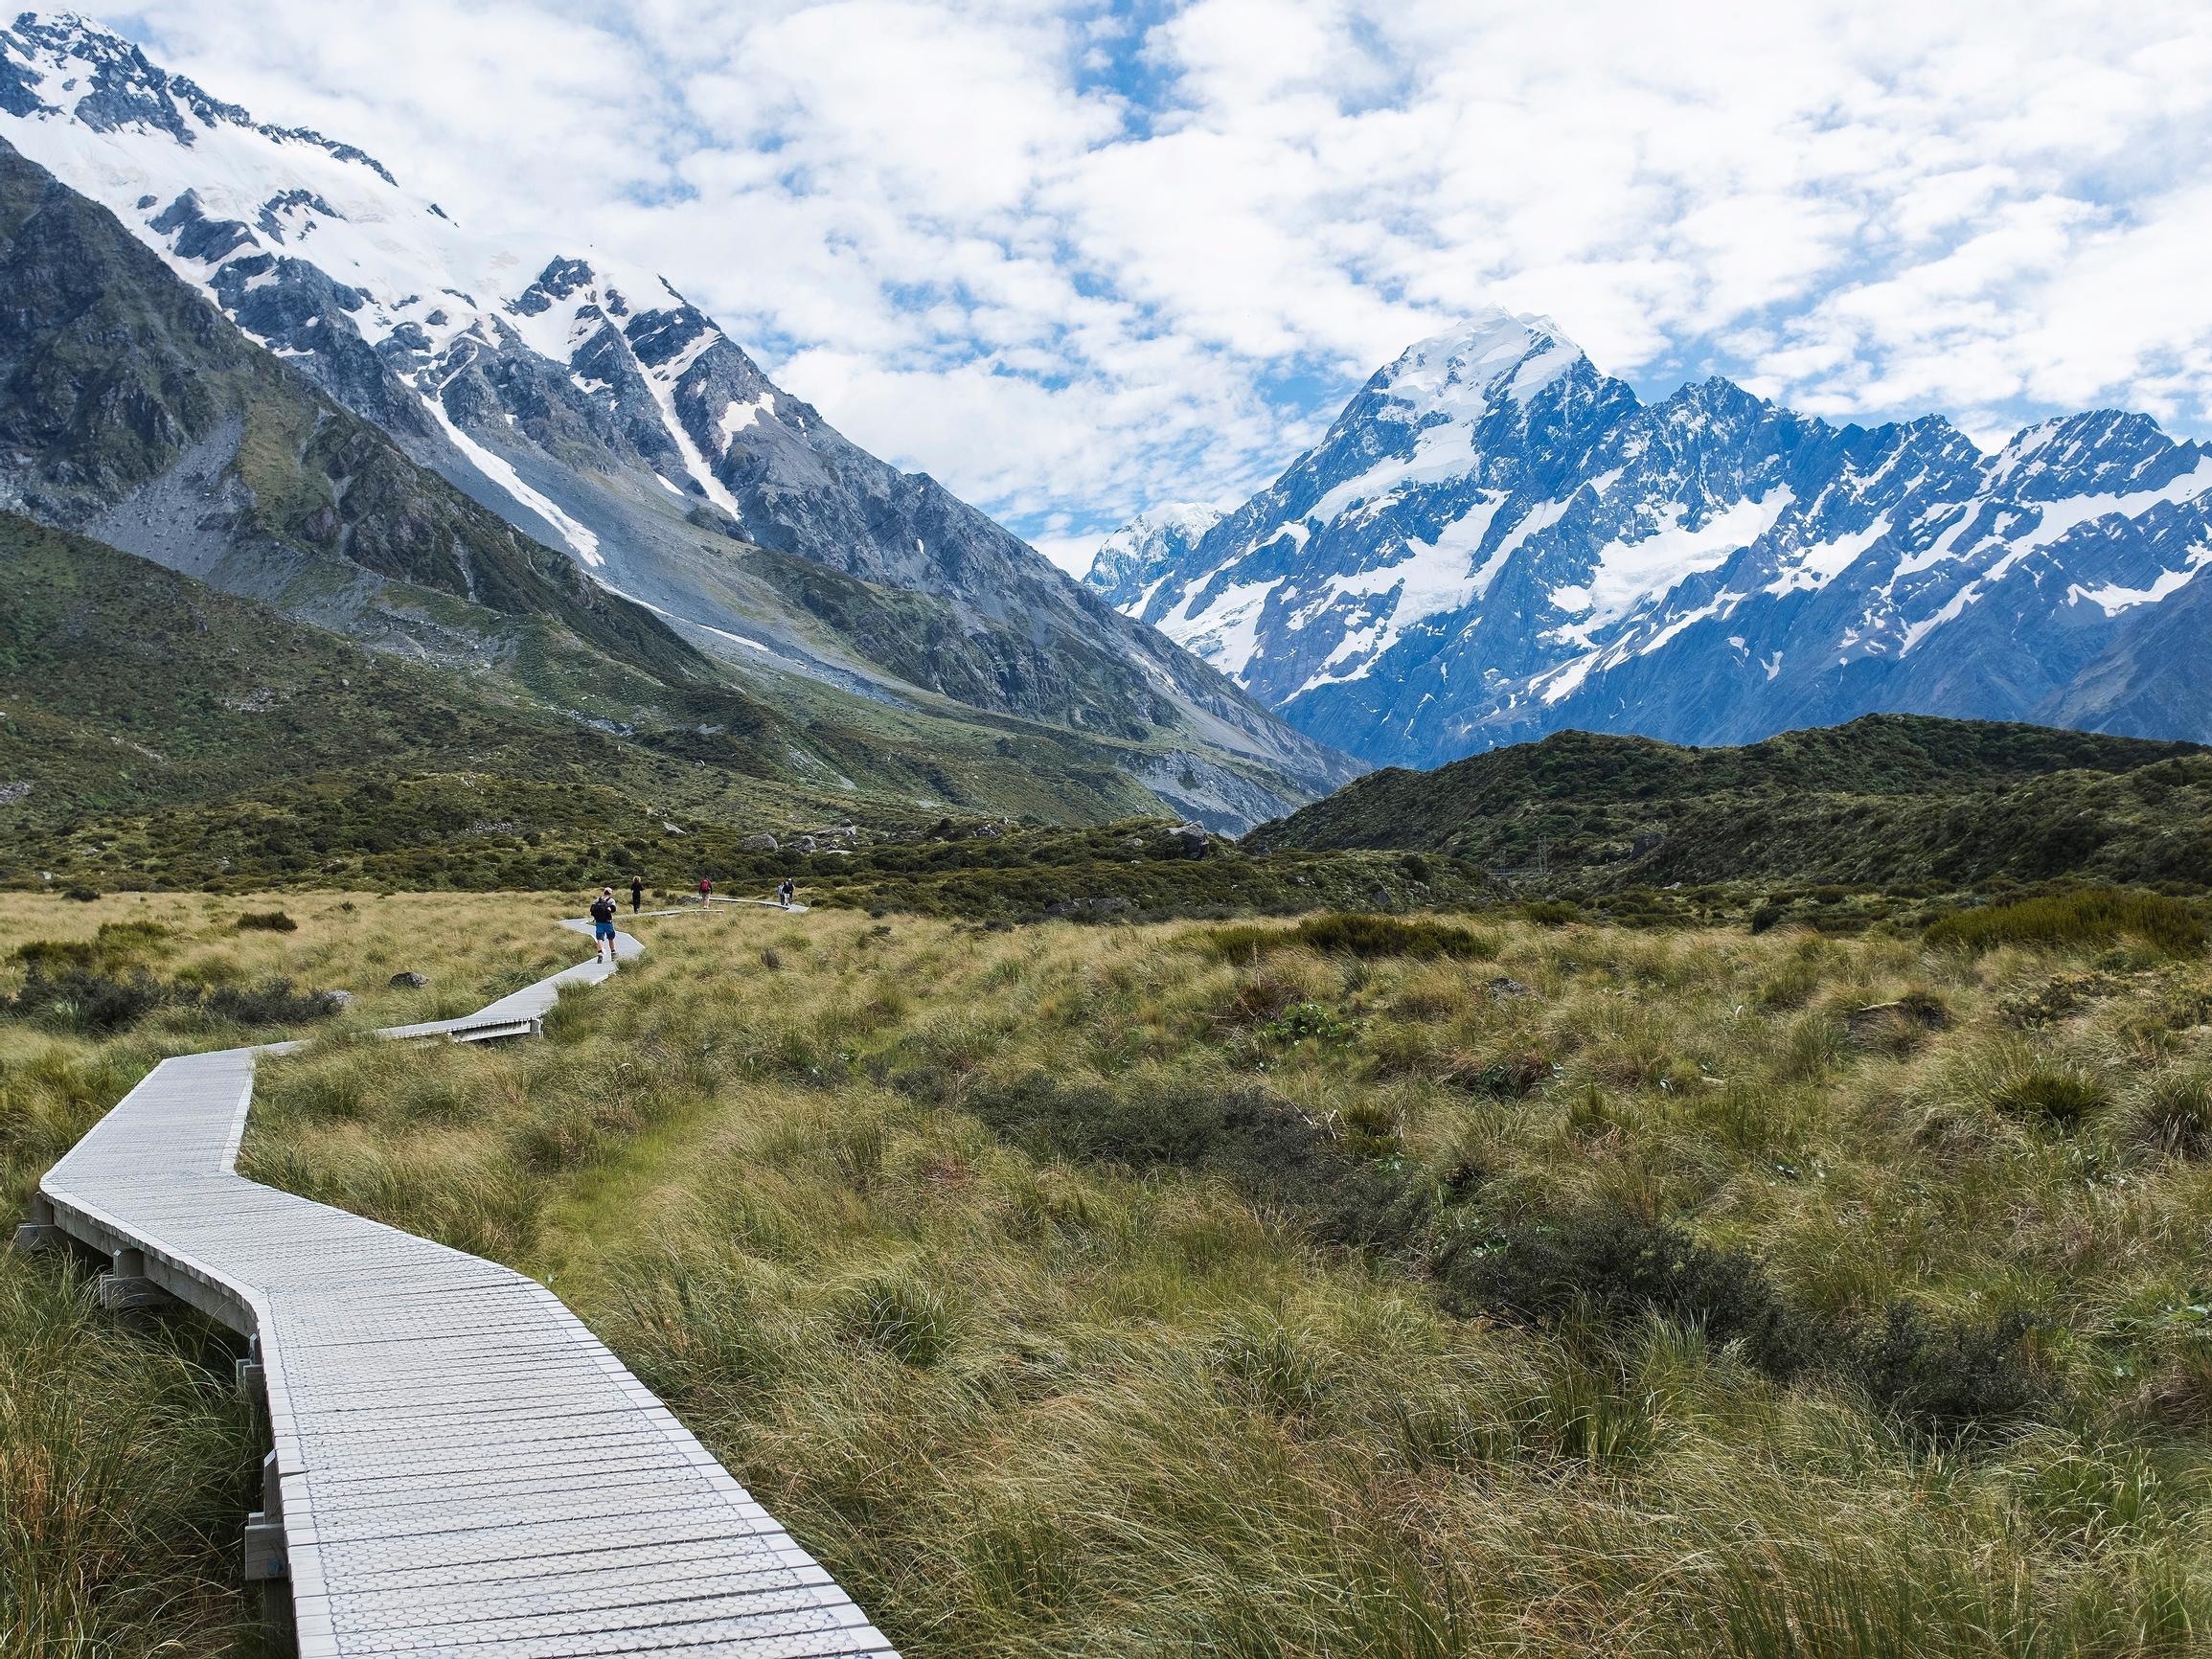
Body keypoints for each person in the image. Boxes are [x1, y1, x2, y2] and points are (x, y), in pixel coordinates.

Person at [589, 887, 620, 966]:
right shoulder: (611, 900)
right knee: (610, 938)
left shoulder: (597, 900)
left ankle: (600, 953)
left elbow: (592, 909)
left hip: (599, 922)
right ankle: (613, 953)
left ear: (603, 892)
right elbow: (613, 909)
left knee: (599, 938)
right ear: (610, 893)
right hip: (608, 922)